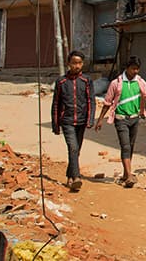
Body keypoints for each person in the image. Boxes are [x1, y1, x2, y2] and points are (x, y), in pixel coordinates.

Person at [95, 56, 146, 187]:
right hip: (120, 119)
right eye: (133, 68)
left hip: (134, 118)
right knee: (125, 145)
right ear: (127, 68)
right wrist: (100, 119)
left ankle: (126, 173)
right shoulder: (116, 83)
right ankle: (129, 175)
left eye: (137, 69)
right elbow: (107, 102)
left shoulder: (140, 82)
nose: (135, 71)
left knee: (130, 145)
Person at [51, 51, 95, 192]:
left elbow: (91, 101)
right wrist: (55, 124)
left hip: (81, 121)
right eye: (74, 63)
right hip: (67, 121)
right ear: (68, 64)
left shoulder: (86, 81)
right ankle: (76, 178)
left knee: (76, 150)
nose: (77, 66)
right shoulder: (61, 82)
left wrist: (90, 119)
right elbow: (56, 104)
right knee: (73, 148)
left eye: (79, 63)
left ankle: (69, 175)